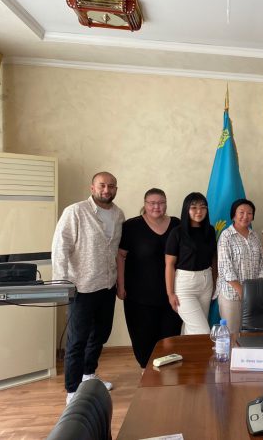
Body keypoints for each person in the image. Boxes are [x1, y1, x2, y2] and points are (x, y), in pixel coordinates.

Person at [52, 171, 125, 405]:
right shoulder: (75, 211)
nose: (107, 190)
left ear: (116, 189)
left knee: (101, 334)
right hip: (81, 286)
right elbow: (60, 246)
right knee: (77, 339)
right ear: (92, 188)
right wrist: (61, 282)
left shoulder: (118, 214)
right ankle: (73, 390)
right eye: (102, 185)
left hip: (107, 285)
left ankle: (88, 374)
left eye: (111, 186)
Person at [116, 188, 182, 369]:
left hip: (171, 293)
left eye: (161, 203)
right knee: (143, 337)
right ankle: (146, 371)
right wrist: (120, 285)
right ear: (145, 204)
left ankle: (167, 373)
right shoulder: (131, 226)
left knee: (170, 336)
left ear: (166, 204)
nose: (156, 207)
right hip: (139, 295)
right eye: (152, 203)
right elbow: (120, 256)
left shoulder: (177, 224)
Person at [165, 192, 217, 335]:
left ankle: (186, 350)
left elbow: (213, 258)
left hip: (206, 282)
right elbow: (169, 264)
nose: (199, 211)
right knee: (202, 330)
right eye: (193, 207)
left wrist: (214, 281)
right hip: (185, 284)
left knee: (192, 328)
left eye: (203, 207)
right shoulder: (177, 232)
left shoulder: (210, 231)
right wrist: (170, 293)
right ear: (186, 209)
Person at [216, 199, 263, 334]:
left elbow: (261, 265)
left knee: (250, 334)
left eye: (249, 213)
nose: (245, 216)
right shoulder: (226, 236)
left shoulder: (255, 236)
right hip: (231, 294)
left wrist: (256, 290)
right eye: (241, 212)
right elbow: (226, 268)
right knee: (232, 333)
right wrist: (242, 291)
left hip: (253, 294)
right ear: (233, 215)